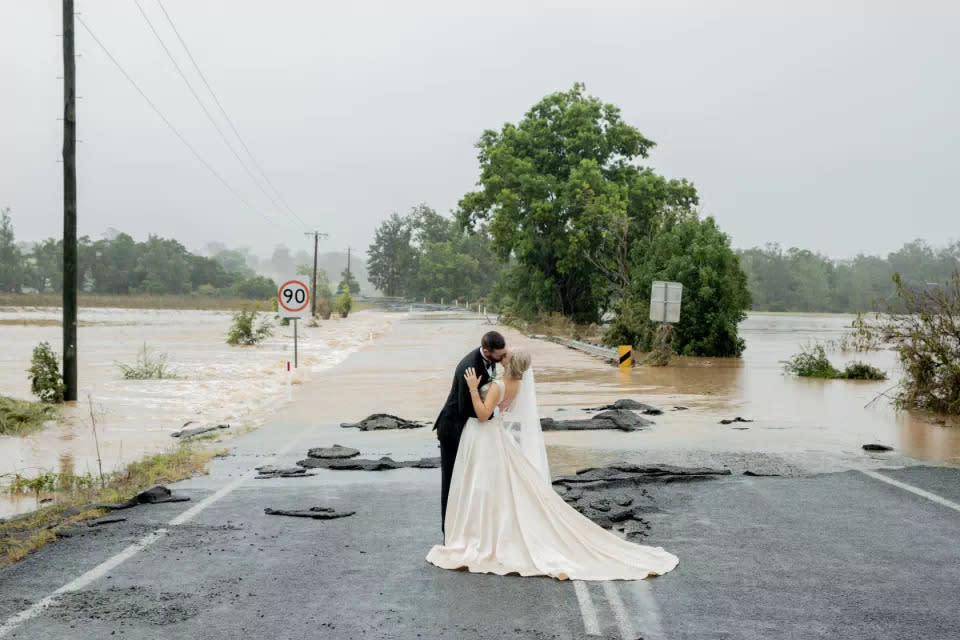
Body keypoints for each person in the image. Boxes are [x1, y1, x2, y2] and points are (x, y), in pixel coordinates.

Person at [427, 349, 679, 581]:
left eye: (506, 356)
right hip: (499, 437)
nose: (502, 357)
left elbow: (483, 415)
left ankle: (482, 535)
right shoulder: (518, 384)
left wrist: (472, 388)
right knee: (504, 486)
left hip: (488, 437)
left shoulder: (499, 385)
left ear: (511, 363)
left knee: (486, 486)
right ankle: (491, 530)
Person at [433, 331, 508, 538]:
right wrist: (493, 410)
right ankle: (448, 532)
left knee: (468, 480)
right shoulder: (470, 367)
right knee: (451, 481)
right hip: (453, 428)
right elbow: (467, 408)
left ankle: (468, 527)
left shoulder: (490, 359)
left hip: (470, 429)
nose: (503, 359)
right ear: (486, 351)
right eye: (500, 356)